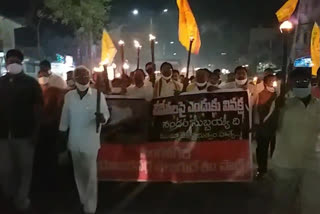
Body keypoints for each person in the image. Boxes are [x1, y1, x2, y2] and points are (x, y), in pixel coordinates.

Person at [59, 66, 110, 214]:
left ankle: (90, 207)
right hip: (74, 142)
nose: (83, 79)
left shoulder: (97, 95)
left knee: (90, 175)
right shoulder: (69, 96)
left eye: (85, 76)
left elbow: (105, 115)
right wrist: (61, 139)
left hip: (91, 142)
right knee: (79, 174)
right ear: (74, 79)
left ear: (90, 78)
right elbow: (64, 120)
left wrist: (102, 119)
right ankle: (83, 199)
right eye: (79, 76)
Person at [271, 68, 320, 214]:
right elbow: (271, 128)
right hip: (285, 164)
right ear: (291, 83)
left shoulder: (318, 105)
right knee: (282, 204)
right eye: (297, 81)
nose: (301, 83)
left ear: (311, 82)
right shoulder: (282, 104)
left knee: (312, 205)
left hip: (312, 163)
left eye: (305, 80)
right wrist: (277, 109)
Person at [0, 49, 43, 212]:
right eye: (10, 62)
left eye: (16, 62)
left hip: (25, 134)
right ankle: (10, 195)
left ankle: (21, 199)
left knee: (25, 169)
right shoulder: (0, 82)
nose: (13, 65)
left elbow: (38, 109)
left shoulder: (31, 83)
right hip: (2, 135)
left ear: (21, 63)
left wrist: (35, 132)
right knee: (5, 170)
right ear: (6, 63)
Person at [254, 74, 278, 179]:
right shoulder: (260, 93)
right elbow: (257, 107)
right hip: (263, 126)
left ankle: (276, 169)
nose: (272, 82)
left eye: (274, 80)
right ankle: (261, 169)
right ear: (265, 82)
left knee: (276, 149)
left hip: (276, 126)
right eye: (270, 80)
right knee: (262, 149)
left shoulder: (279, 94)